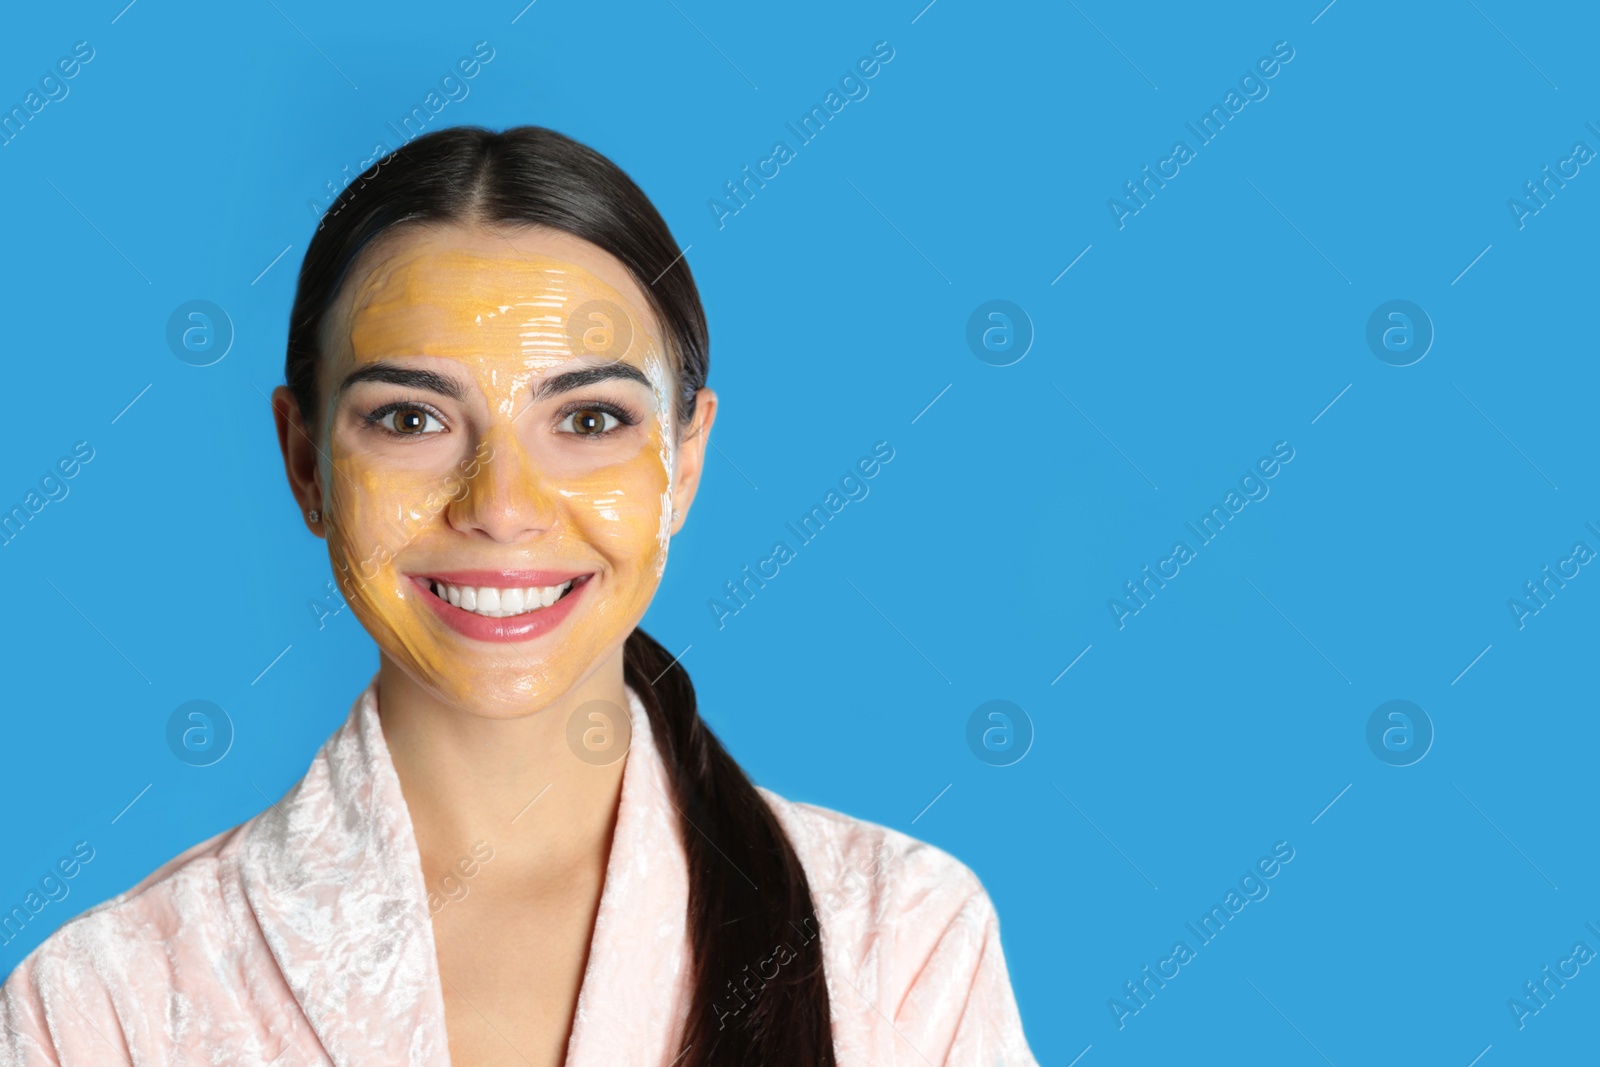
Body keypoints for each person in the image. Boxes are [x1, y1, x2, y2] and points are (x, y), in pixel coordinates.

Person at [0, 125, 1037, 1066]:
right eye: (410, 419)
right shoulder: (113, 998)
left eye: (587, 420)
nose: (499, 507)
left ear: (687, 456)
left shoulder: (899, 939)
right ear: (305, 459)